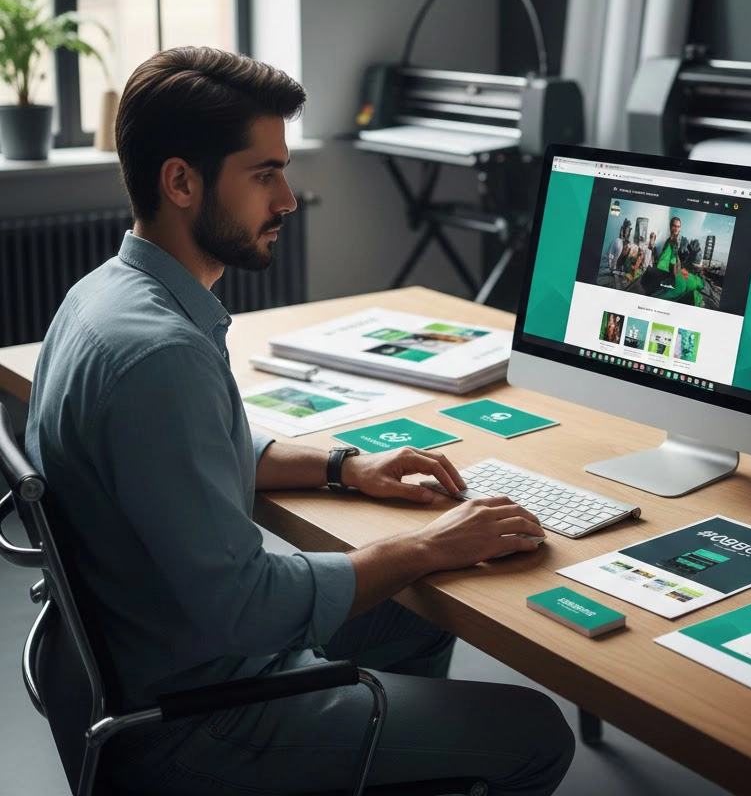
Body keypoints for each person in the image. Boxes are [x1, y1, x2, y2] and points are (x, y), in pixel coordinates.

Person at [25, 47, 574, 796]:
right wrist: (425, 543)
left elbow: (192, 450)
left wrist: (343, 466)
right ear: (181, 181)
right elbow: (246, 608)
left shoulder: (104, 297)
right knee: (535, 731)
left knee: (417, 612)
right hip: (203, 719)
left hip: (137, 660)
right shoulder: (161, 355)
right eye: (264, 174)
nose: (286, 198)